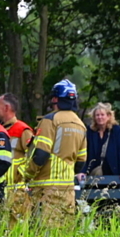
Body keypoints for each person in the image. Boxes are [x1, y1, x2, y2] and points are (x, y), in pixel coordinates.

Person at [22, 79, 87, 229]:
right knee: (64, 236)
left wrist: (26, 175)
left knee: (44, 235)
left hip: (46, 188)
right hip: (68, 189)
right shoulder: (81, 124)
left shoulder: (50, 120)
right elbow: (81, 162)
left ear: (55, 99)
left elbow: (41, 154)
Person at [0, 93, 35, 225]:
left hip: (17, 192)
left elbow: (33, 157)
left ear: (6, 108)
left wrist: (22, 176)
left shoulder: (23, 130)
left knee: (17, 232)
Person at [80, 102, 120, 184]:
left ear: (108, 116)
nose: (100, 117)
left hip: (113, 171)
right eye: (97, 115)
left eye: (102, 115)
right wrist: (83, 171)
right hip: (95, 173)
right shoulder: (90, 131)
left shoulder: (116, 130)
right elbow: (86, 152)